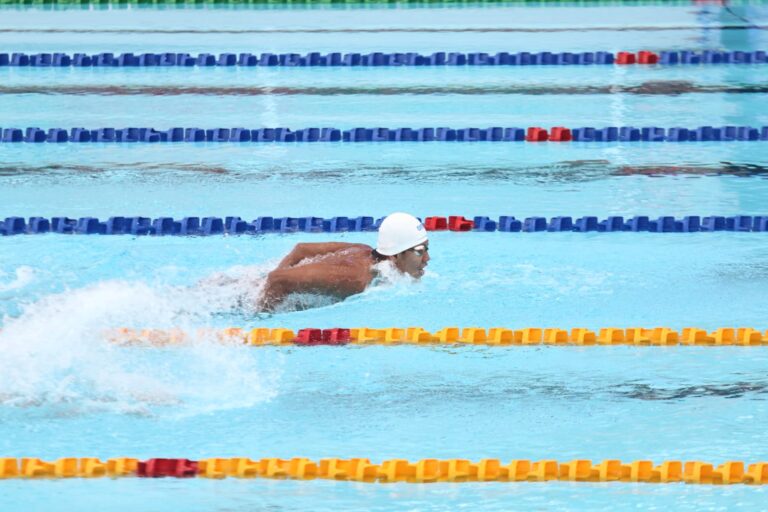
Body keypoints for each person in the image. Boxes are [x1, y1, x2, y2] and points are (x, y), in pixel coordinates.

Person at [259, 212, 429, 310]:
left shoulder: (364, 249)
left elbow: (302, 249)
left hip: (259, 283)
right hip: (248, 298)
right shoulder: (356, 279)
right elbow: (277, 279)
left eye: (426, 249)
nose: (427, 259)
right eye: (420, 252)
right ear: (395, 255)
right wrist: (263, 316)